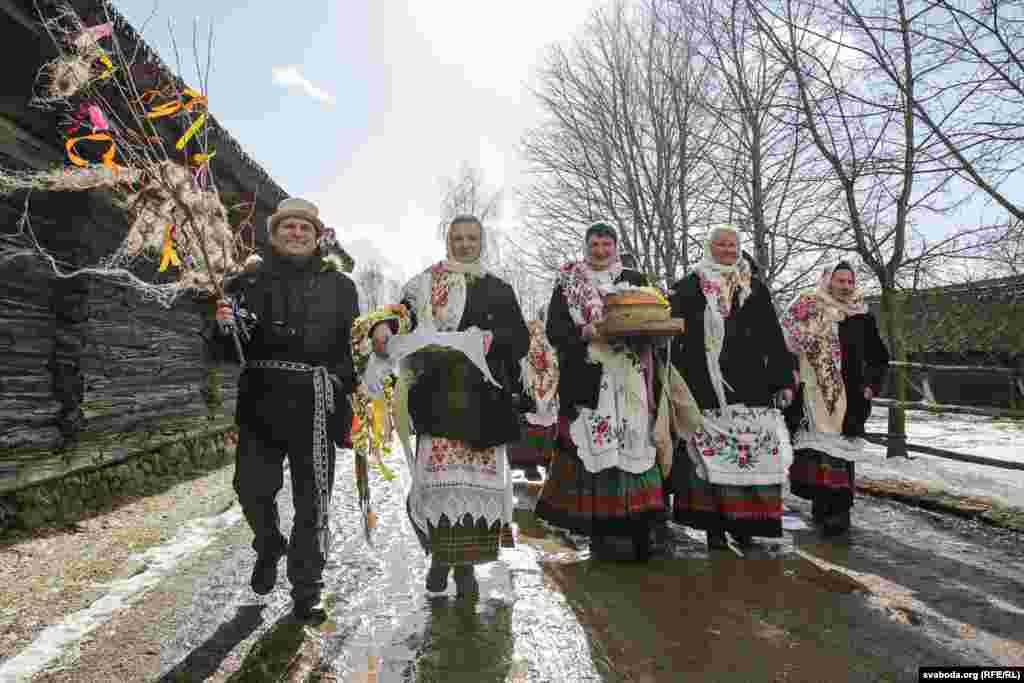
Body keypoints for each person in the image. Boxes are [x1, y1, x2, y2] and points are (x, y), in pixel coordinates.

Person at [208, 197, 359, 623]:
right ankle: (269, 542)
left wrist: (341, 383)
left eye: (304, 228)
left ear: (317, 237)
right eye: (287, 227)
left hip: (316, 406)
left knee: (313, 504)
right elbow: (223, 350)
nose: (296, 234)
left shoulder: (340, 287)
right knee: (251, 489)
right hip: (261, 402)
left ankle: (307, 590)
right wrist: (224, 325)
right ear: (274, 235)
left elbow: (352, 348)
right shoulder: (245, 284)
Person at [366, 215, 529, 598]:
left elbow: (519, 340)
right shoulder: (425, 283)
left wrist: (488, 341)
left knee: (475, 490)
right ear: (447, 240)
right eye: (457, 238)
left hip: (483, 406)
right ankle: (441, 558)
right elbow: (399, 315)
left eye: (472, 238)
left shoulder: (498, 289)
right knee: (437, 488)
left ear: (481, 242)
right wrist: (383, 327)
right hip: (437, 401)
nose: (465, 244)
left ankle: (466, 569)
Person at [535, 222, 667, 560]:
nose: (601, 250)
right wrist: (585, 332)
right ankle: (598, 531)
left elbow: (655, 318)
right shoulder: (568, 282)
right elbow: (555, 330)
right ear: (585, 246)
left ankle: (638, 526)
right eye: (594, 244)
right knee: (596, 448)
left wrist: (639, 333)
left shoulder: (635, 279)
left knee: (632, 445)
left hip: (631, 377)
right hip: (587, 379)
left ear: (616, 246)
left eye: (607, 244)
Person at [668, 226, 795, 550]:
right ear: (709, 248)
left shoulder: (754, 287)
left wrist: (782, 379)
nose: (727, 249)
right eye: (721, 244)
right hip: (706, 385)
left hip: (751, 385)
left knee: (750, 456)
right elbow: (674, 334)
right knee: (710, 459)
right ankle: (713, 528)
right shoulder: (690, 286)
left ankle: (746, 525)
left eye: (732, 244)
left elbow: (772, 336)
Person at [780, 261, 889, 535]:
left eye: (850, 282)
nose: (846, 286)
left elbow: (878, 356)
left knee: (841, 450)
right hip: (813, 390)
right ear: (828, 280)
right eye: (840, 281)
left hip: (849, 394)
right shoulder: (807, 306)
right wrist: (789, 376)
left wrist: (872, 385)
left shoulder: (861, 314)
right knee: (818, 451)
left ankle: (839, 511)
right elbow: (786, 343)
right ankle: (821, 503)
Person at [507, 312, 559, 482]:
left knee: (543, 429)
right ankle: (531, 465)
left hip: (544, 405)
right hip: (529, 406)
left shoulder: (550, 358)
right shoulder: (523, 358)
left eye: (540, 334)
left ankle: (542, 463)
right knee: (531, 428)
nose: (537, 339)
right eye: (534, 334)